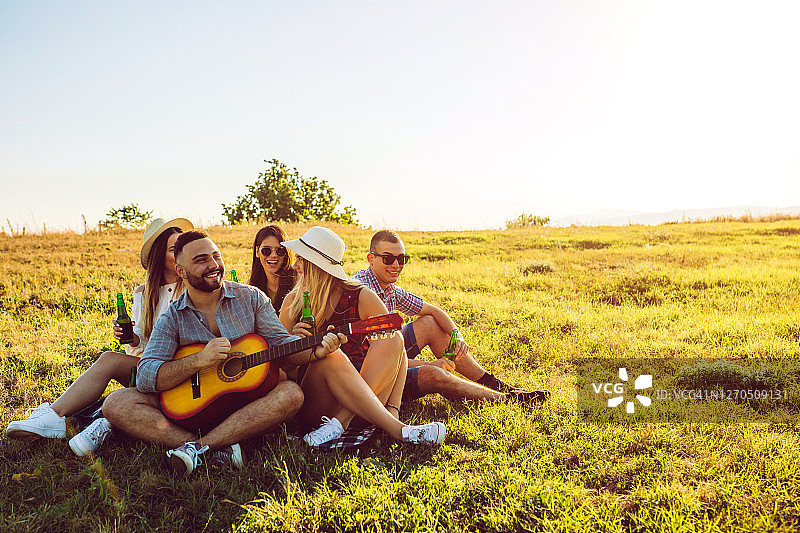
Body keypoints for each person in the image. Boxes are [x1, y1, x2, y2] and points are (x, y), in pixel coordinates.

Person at [101, 230, 345, 475]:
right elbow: (145, 375)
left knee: (291, 394)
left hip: (248, 401)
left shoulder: (251, 298)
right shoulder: (172, 317)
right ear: (181, 271)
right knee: (116, 403)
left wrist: (315, 351)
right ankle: (218, 447)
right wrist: (198, 361)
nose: (213, 265)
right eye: (201, 260)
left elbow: (285, 347)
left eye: (215, 256)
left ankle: (197, 449)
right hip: (192, 407)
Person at [5, 217, 194, 456]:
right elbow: (139, 352)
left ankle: (98, 421)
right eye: (173, 249)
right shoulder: (144, 294)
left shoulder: (192, 286)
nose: (181, 253)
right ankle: (54, 416)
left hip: (182, 368)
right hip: (150, 369)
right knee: (111, 358)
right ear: (158, 255)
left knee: (111, 368)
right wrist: (133, 340)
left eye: (182, 247)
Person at [279, 226, 446, 447]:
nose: (294, 265)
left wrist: (393, 407)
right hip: (315, 403)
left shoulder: (361, 296)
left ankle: (342, 422)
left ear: (315, 265)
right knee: (331, 356)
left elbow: (398, 355)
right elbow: (281, 370)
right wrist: (296, 344)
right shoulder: (293, 303)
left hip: (365, 397)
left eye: (300, 258)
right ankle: (400, 431)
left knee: (393, 338)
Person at [353, 230, 550, 406]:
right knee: (435, 374)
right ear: (371, 259)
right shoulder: (360, 292)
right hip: (367, 375)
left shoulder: (390, 290)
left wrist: (457, 336)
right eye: (388, 259)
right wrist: (429, 365)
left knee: (430, 322)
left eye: (402, 259)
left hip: (389, 353)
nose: (396, 265)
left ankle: (492, 383)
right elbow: (371, 359)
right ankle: (508, 400)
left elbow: (434, 311)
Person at [247, 224, 297, 311]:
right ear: (257, 252)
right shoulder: (251, 284)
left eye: (280, 251)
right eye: (266, 250)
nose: (273, 255)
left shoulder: (296, 280)